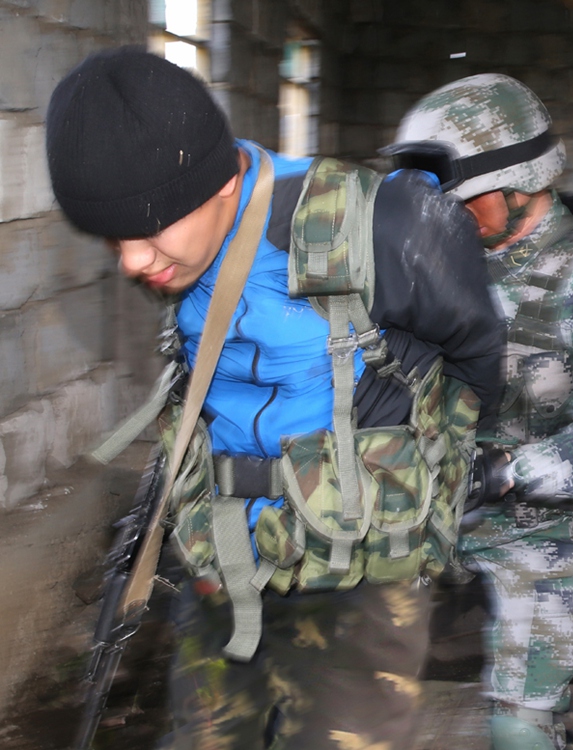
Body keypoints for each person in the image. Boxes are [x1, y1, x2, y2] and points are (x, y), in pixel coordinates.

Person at [45, 47, 504, 749]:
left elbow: (476, 361)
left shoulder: (379, 226)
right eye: (113, 238)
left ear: (223, 183)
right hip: (226, 554)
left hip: (357, 578)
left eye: (150, 228)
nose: (132, 261)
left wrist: (420, 477)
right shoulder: (181, 249)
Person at [386, 74, 573, 750]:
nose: (441, 213)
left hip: (536, 518)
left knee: (519, 727)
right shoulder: (433, 254)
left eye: (459, 198)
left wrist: (502, 472)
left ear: (519, 185)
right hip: (420, 501)